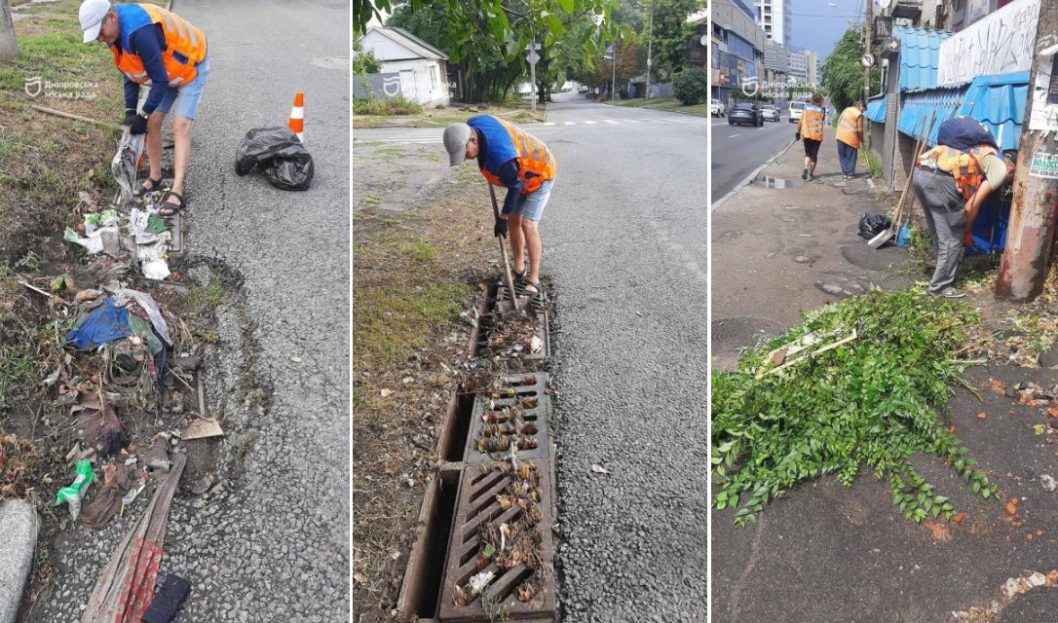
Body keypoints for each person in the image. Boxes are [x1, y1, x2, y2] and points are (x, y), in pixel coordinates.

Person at [79, 0, 209, 216]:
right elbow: (130, 74)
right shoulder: (114, 36)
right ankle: (155, 176)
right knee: (152, 124)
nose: (100, 39)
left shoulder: (140, 31)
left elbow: (159, 81)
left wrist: (143, 113)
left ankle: (177, 189)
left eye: (100, 32)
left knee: (180, 126)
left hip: (190, 65)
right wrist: (131, 113)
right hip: (167, 70)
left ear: (111, 17)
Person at [443, 115, 556, 302]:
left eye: (464, 152)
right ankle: (519, 269)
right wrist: (506, 218)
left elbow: (515, 186)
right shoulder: (472, 124)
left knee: (528, 224)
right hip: (520, 174)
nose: (464, 157)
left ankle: (534, 279)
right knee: (513, 221)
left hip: (539, 171)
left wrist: (501, 219)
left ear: (473, 140)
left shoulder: (500, 157)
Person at [911, 117, 1015, 299]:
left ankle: (942, 268)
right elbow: (972, 206)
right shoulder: (1000, 171)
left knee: (940, 231)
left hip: (921, 171)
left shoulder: (980, 149)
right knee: (953, 236)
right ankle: (940, 287)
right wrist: (964, 231)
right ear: (1012, 169)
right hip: (940, 180)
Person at [796, 94, 826, 181]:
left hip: (807, 134)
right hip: (817, 135)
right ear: (820, 101)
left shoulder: (806, 109)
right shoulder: (822, 111)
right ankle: (810, 174)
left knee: (808, 154)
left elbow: (800, 122)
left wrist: (797, 132)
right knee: (814, 155)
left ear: (812, 100)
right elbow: (822, 120)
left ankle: (806, 167)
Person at [836, 101, 865, 180]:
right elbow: (859, 129)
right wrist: (862, 138)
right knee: (851, 156)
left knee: (843, 156)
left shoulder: (846, 110)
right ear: (859, 106)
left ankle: (845, 173)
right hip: (851, 137)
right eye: (863, 108)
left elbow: (840, 121)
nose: (863, 110)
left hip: (840, 135)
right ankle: (850, 174)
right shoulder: (858, 114)